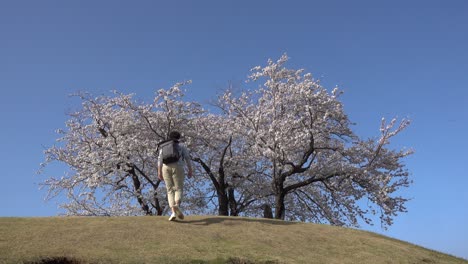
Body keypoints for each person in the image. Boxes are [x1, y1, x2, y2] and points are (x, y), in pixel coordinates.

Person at [158, 131, 193, 221]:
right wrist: (190, 169)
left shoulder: (164, 145)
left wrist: (159, 172)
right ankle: (176, 205)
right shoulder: (181, 146)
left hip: (165, 167)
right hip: (178, 166)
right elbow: (187, 158)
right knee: (178, 188)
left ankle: (173, 212)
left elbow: (160, 159)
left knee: (169, 190)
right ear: (179, 137)